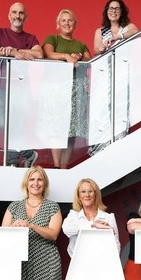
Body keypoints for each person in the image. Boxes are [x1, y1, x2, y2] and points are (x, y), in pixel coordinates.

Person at [0, 2, 41, 168]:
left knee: (16, 125)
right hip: (1, 85)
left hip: (22, 87)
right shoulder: (0, 33)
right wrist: (17, 53)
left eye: (21, 13)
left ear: (25, 17)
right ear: (9, 16)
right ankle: (29, 153)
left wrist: (14, 51)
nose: (17, 16)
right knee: (4, 124)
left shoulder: (30, 38)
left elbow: (39, 53)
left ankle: (12, 163)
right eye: (14, 13)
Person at [43, 9, 91, 168]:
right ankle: (57, 165)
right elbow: (49, 54)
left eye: (70, 20)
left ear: (75, 24)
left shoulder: (80, 44)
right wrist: (66, 56)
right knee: (57, 127)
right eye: (63, 20)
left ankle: (65, 165)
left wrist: (79, 56)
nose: (67, 23)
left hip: (76, 89)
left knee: (72, 129)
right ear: (58, 24)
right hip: (57, 89)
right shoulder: (53, 38)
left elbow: (89, 59)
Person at [90, 0, 138, 153]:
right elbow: (96, 49)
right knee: (104, 104)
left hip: (123, 71)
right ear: (106, 11)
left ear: (122, 11)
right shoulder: (101, 31)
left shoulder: (127, 27)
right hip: (105, 72)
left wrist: (118, 37)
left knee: (121, 104)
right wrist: (102, 47)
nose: (114, 11)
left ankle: (120, 139)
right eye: (111, 8)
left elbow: (136, 32)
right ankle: (103, 143)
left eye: (117, 8)